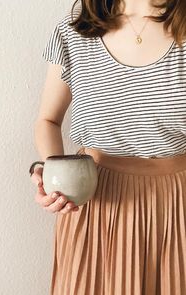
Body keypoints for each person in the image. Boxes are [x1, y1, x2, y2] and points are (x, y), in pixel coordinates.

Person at [30, 0, 186, 294]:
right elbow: (48, 120)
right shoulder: (75, 30)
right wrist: (53, 173)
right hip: (94, 203)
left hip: (177, 204)